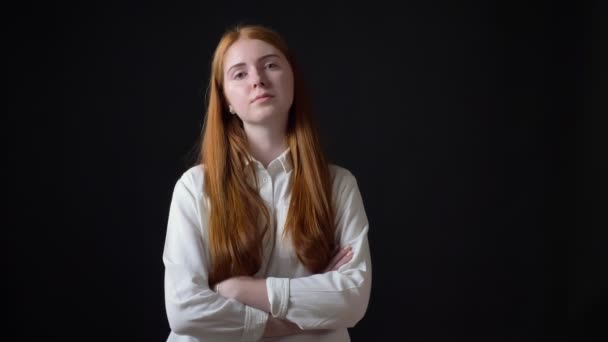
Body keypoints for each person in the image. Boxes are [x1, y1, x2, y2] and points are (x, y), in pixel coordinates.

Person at [162, 23, 372, 341]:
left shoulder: (338, 185)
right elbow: (184, 310)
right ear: (226, 100)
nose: (258, 80)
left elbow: (353, 301)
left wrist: (242, 290)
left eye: (270, 65)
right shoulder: (194, 188)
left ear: (293, 81)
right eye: (239, 74)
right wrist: (303, 311)